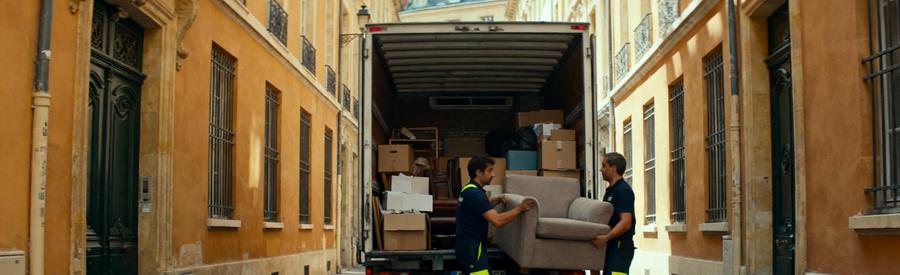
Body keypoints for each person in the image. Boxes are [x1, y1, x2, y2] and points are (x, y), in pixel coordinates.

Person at [455, 154, 534, 275]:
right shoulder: (474, 193)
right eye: (490, 170)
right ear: (479, 172)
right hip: (472, 248)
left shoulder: (469, 189)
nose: (493, 174)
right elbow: (497, 220)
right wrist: (520, 208)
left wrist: (495, 200)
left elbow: (478, 207)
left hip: (470, 245)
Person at [592, 152, 636, 275]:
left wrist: (605, 238)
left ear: (613, 168)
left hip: (620, 247)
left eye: (604, 165)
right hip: (612, 246)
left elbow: (626, 222)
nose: (601, 169)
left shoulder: (623, 191)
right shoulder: (611, 190)